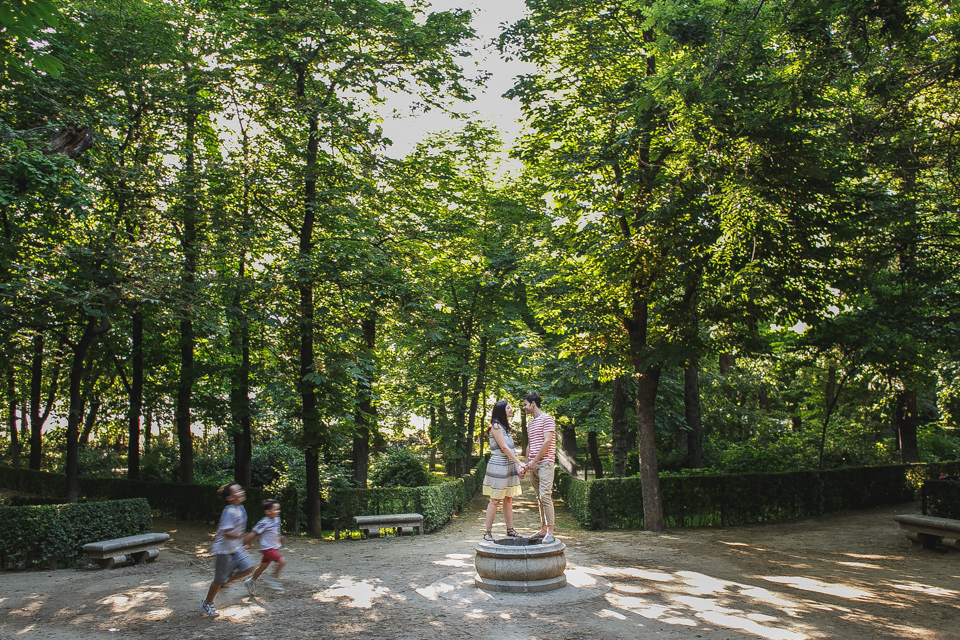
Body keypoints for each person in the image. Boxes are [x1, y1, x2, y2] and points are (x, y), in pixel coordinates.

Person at [201, 483, 256, 618]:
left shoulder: (240, 508)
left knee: (248, 567)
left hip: (235, 548)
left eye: (241, 489)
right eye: (237, 491)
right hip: (224, 550)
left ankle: (226, 581)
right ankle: (207, 603)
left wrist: (245, 542)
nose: (241, 492)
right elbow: (226, 532)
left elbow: (227, 528)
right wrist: (244, 537)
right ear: (230, 498)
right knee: (218, 579)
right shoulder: (230, 511)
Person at [481, 400, 525, 541]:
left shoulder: (505, 428)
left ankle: (510, 530)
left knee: (508, 499)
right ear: (501, 411)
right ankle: (487, 532)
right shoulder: (496, 426)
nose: (511, 410)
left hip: (509, 465)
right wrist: (519, 462)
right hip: (499, 464)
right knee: (495, 500)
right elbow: (504, 448)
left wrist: (517, 466)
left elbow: (511, 450)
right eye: (508, 408)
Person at [521, 392, 557, 544]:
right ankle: (542, 529)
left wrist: (535, 461)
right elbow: (530, 445)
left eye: (525, 404)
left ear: (533, 404)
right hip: (534, 466)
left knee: (545, 496)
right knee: (539, 498)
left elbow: (547, 441)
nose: (524, 408)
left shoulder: (547, 418)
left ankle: (550, 532)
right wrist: (526, 464)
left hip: (545, 464)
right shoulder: (531, 423)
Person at [244, 499, 288, 595]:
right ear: (267, 512)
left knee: (263, 566)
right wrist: (249, 544)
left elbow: (276, 532)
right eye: (275, 510)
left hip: (273, 547)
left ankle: (251, 581)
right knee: (282, 561)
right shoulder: (264, 522)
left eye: (278, 509)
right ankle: (273, 578)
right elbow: (253, 533)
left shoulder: (277, 519)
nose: (278, 511)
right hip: (267, 548)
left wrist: (280, 538)